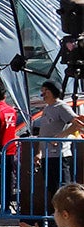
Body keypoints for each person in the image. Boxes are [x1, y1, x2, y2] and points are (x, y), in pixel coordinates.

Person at [32, 81, 76, 216]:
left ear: (51, 92)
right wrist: (39, 152)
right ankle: (57, 214)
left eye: (44, 91)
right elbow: (42, 134)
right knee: (52, 187)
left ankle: (67, 215)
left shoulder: (61, 107)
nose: (42, 94)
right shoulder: (47, 109)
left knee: (62, 187)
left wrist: (60, 136)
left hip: (60, 155)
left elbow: (78, 123)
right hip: (47, 155)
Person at [0, 82, 22, 214]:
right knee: (8, 179)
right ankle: (6, 205)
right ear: (5, 95)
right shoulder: (11, 110)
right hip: (11, 148)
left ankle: (3, 205)